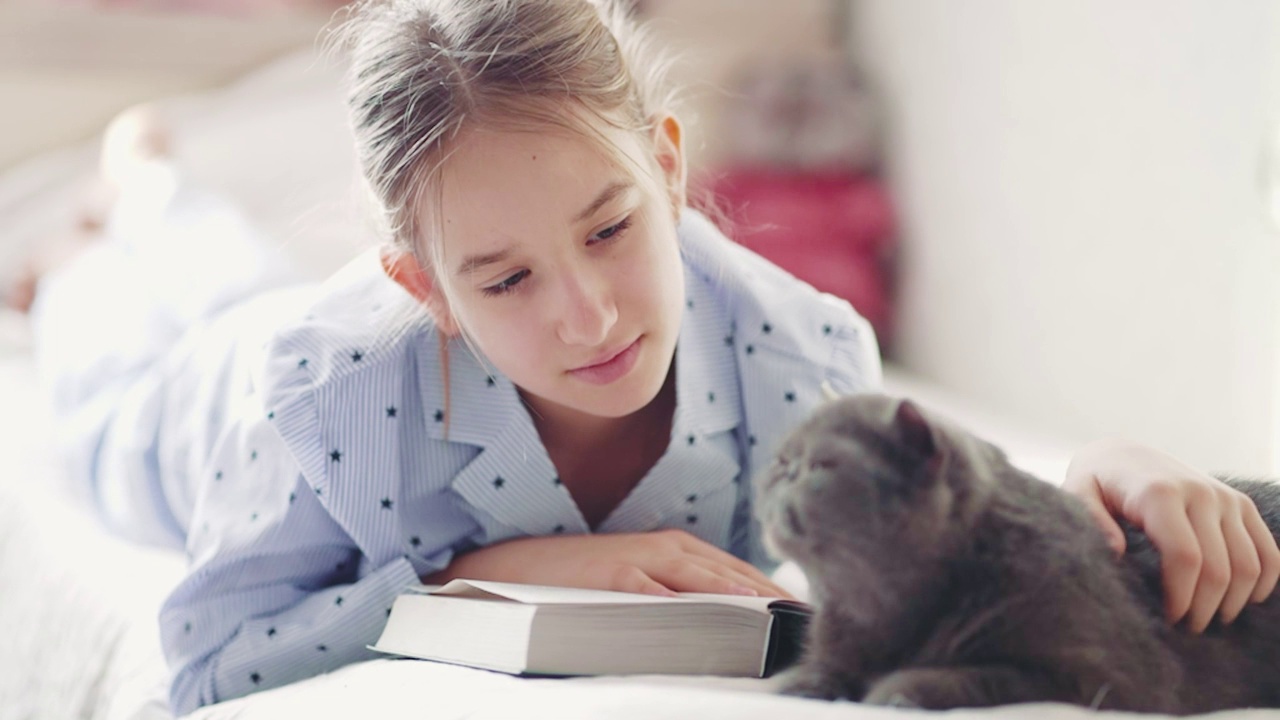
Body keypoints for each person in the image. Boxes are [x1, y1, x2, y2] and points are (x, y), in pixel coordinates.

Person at [18, 0, 1279, 714]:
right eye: (505, 279)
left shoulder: (793, 348)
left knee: (223, 275)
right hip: (201, 393)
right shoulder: (328, 399)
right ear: (425, 286)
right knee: (119, 348)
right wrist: (489, 571)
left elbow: (945, 500)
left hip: (328, 308)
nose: (588, 316)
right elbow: (210, 662)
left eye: (614, 229)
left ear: (668, 166)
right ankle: (113, 215)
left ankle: (152, 193)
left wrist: (1107, 467)